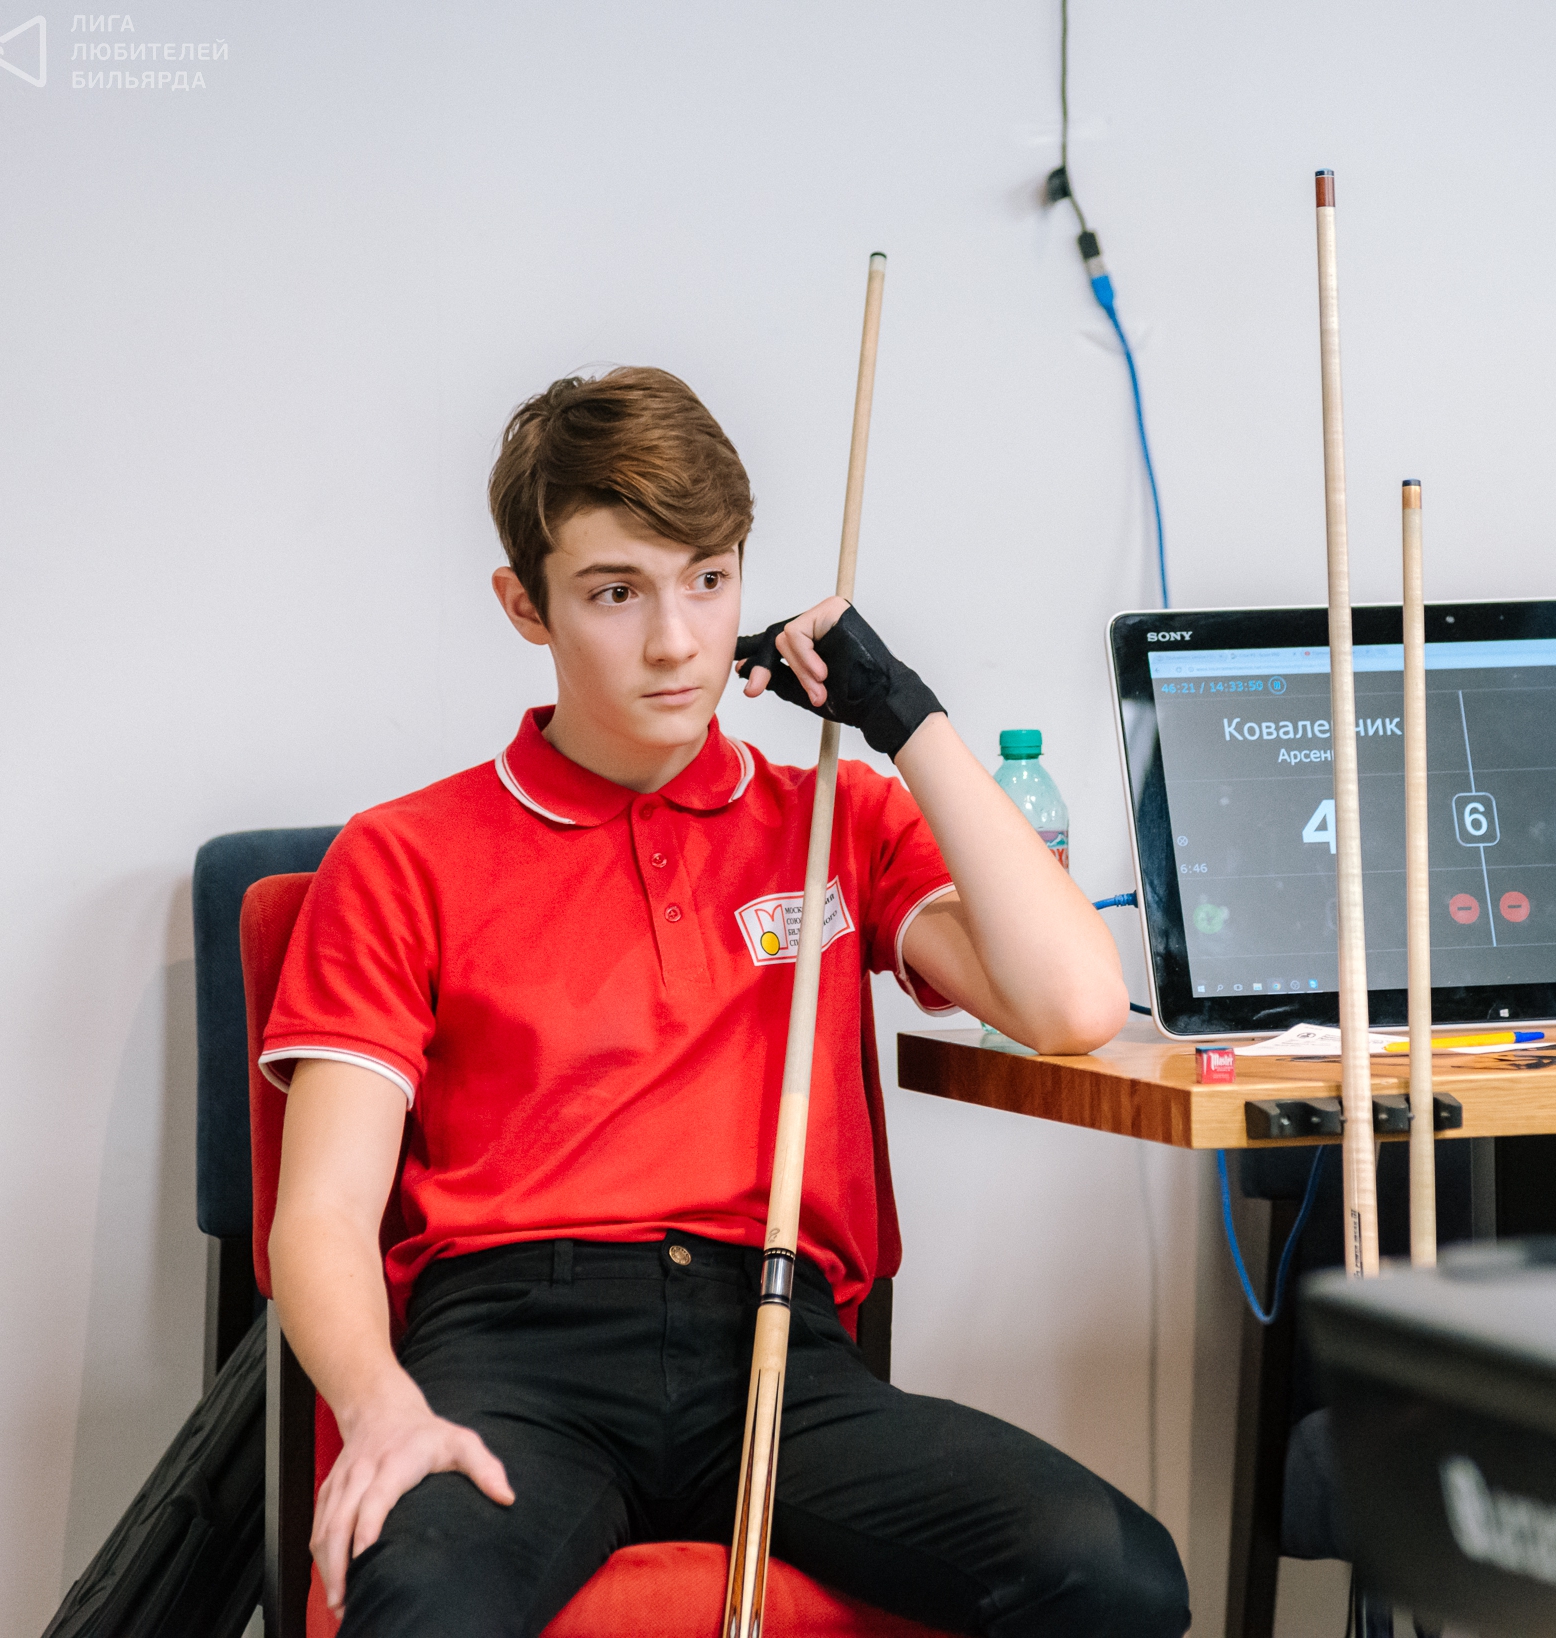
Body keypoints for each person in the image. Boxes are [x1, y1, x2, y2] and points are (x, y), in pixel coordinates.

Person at [262, 366, 1186, 1638]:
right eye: (615, 592)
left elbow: (1075, 1003)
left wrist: (903, 717)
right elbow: (319, 1213)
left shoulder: (833, 821)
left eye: (708, 580)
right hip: (516, 1352)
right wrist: (382, 1411)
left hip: (778, 1354)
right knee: (424, 1605)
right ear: (525, 605)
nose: (676, 641)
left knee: (1116, 1573)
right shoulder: (401, 855)